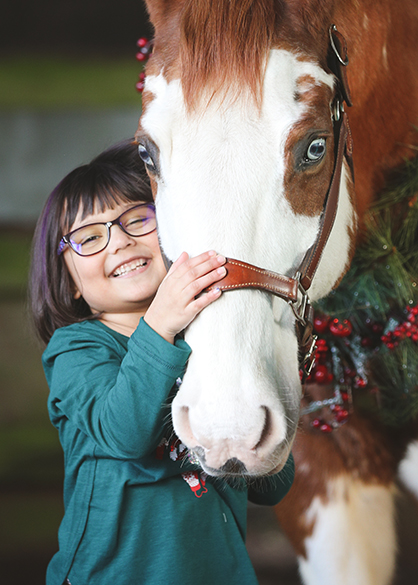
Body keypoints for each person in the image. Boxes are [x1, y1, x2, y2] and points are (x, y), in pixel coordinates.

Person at [29, 139, 294, 585]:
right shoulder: (77, 350)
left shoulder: (210, 345)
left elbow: (272, 486)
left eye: (138, 219)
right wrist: (160, 325)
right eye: (90, 237)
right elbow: (124, 433)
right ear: (70, 281)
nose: (120, 241)